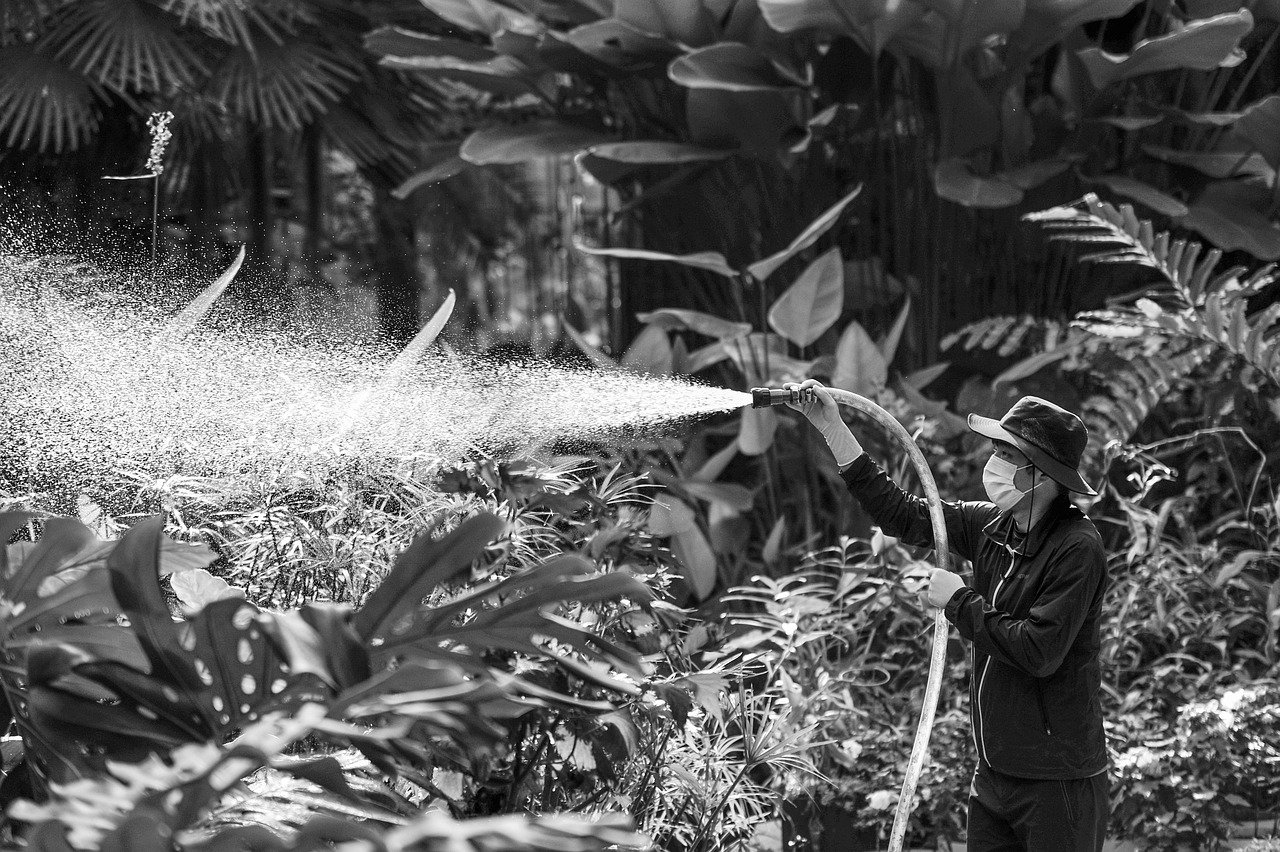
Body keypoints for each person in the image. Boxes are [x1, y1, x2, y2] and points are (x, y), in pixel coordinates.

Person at [785, 379, 1110, 852]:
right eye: (996, 450)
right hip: (995, 774)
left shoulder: (1077, 548)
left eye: (1008, 455)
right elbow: (902, 514)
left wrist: (959, 601)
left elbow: (1039, 650)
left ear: (1042, 474)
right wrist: (832, 427)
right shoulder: (992, 527)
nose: (994, 464)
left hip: (1058, 780)